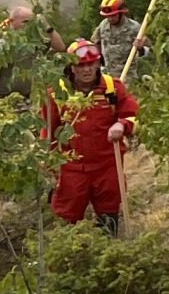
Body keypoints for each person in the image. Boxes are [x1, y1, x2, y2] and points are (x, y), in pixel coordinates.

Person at [45, 41, 140, 233]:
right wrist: (48, 162)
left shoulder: (113, 88)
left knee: (109, 213)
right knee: (67, 216)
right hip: (71, 166)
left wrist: (122, 124)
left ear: (98, 63)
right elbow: (48, 131)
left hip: (107, 164)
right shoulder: (57, 93)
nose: (86, 70)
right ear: (71, 67)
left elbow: (134, 114)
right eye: (81, 65)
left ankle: (110, 254)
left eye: (91, 64)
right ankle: (69, 256)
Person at [92, 0, 143, 76]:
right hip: (107, 74)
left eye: (113, 15)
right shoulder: (103, 25)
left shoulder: (135, 27)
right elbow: (96, 42)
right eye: (108, 16)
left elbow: (148, 52)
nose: (110, 19)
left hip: (127, 74)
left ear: (121, 13)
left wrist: (141, 48)